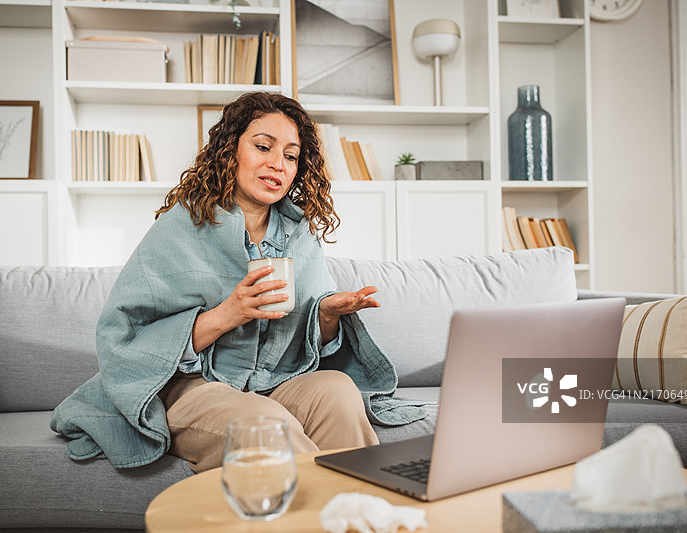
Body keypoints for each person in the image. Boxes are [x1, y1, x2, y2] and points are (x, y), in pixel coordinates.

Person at [51, 92, 426, 471]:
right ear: (230, 150)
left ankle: (359, 517)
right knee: (264, 424)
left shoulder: (300, 234)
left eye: (291, 156)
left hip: (275, 382)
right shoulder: (179, 228)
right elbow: (125, 337)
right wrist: (229, 313)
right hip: (190, 389)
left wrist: (327, 315)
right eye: (263, 147)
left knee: (338, 391)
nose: (277, 164)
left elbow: (314, 344)